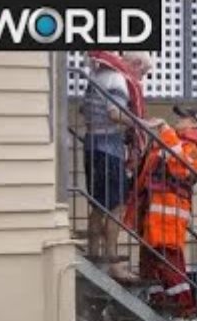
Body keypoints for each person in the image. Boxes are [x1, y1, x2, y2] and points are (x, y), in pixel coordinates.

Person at [80, 50, 162, 282]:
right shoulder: (117, 79)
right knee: (115, 207)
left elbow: (85, 110)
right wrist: (141, 124)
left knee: (98, 205)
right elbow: (115, 113)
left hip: (91, 144)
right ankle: (112, 262)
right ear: (134, 64)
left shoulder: (98, 75)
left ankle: (94, 252)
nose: (141, 78)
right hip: (108, 148)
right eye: (143, 72)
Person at [132, 106, 197, 321]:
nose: (179, 119)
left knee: (170, 265)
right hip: (152, 216)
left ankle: (187, 312)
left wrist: (165, 130)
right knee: (149, 266)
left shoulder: (192, 149)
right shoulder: (170, 141)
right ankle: (157, 303)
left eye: (183, 117)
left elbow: (181, 168)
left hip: (169, 218)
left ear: (195, 124)